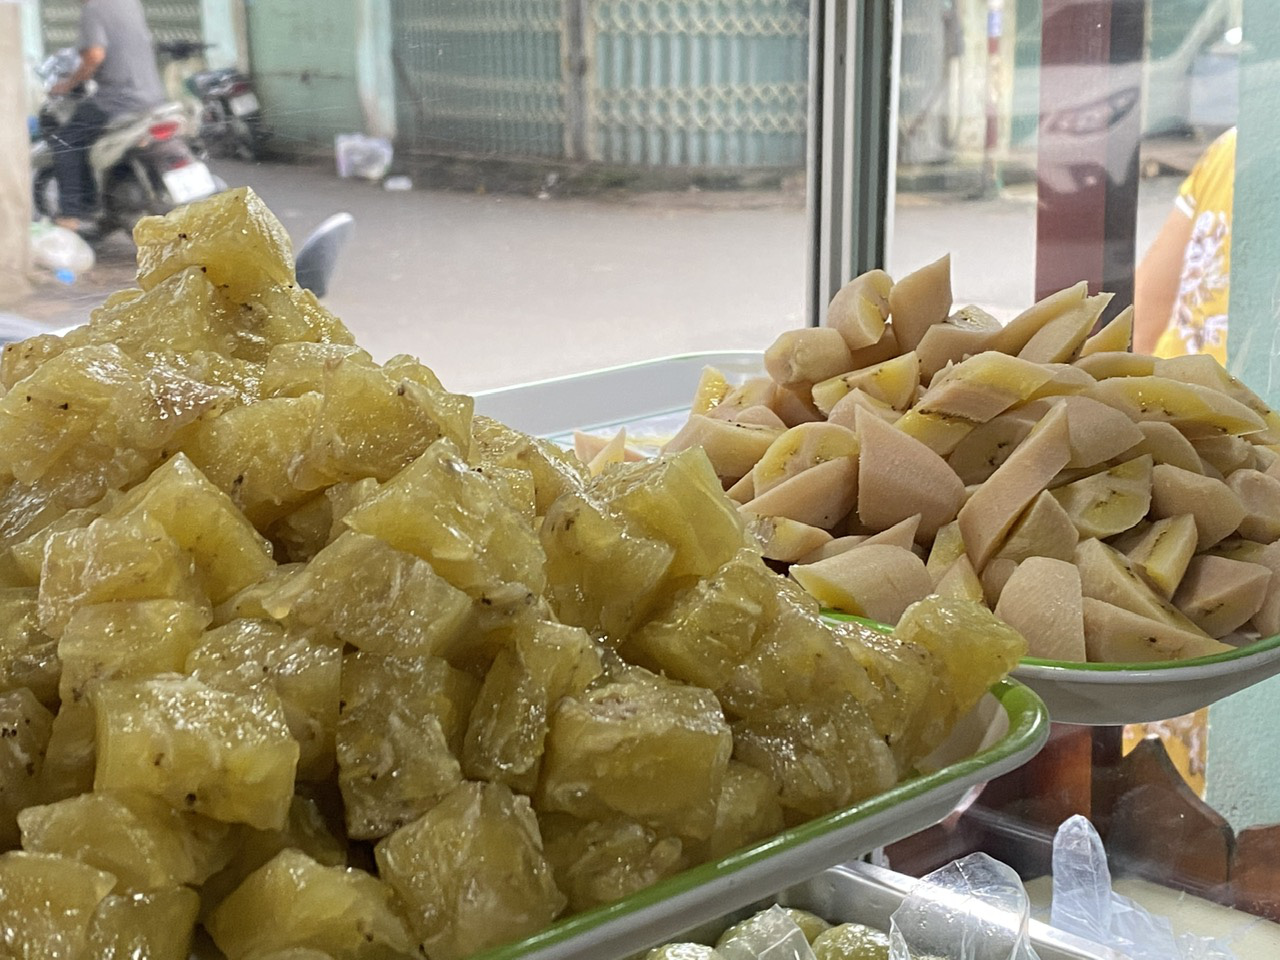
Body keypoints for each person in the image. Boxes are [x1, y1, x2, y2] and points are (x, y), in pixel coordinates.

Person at [48, 0, 167, 232]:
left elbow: (94, 54)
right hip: (153, 97)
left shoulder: (93, 9)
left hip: (118, 100)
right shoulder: (130, 4)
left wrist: (70, 83)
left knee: (66, 139)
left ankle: (73, 213)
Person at [1133, 127, 1237, 363]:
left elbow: (1138, 322)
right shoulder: (1231, 149)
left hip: (1168, 388)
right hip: (1173, 390)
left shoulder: (1233, 147)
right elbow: (1141, 319)